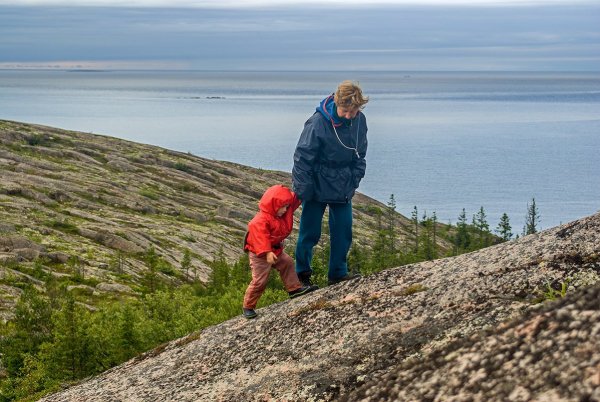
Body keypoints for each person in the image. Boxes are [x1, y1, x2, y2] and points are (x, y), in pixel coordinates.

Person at [292, 80, 369, 287]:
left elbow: (360, 155)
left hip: (343, 184)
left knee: (343, 230)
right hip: (316, 184)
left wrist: (354, 179)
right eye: (345, 110)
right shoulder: (317, 122)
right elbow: (302, 157)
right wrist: (303, 189)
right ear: (337, 103)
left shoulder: (360, 122)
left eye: (353, 111)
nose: (348, 115)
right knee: (309, 232)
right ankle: (301, 277)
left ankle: (337, 273)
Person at [242, 184, 316, 319]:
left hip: (275, 251)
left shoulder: (284, 211)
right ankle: (248, 306)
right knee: (260, 281)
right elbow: (260, 238)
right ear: (274, 205)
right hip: (260, 254)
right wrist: (267, 252)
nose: (286, 209)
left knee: (287, 263)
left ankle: (294, 289)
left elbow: (295, 199)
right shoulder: (260, 220)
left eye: (287, 206)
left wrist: (306, 187)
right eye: (283, 207)